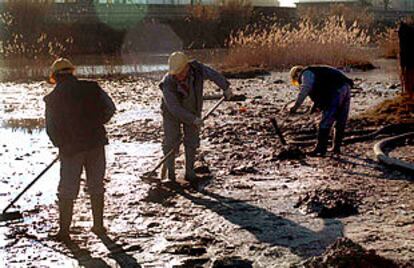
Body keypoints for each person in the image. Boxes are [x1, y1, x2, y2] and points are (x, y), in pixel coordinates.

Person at [44, 58, 116, 241]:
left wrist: (61, 145)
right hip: (96, 143)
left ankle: (64, 232)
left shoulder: (52, 99)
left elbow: (51, 128)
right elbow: (110, 108)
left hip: (70, 150)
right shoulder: (92, 87)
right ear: (72, 72)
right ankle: (98, 227)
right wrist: (97, 124)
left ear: (55, 77)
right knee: (96, 185)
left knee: (67, 189)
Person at [159, 52, 233, 182]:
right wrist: (193, 119)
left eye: (181, 72)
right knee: (171, 141)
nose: (179, 76)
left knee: (192, 140)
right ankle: (171, 175)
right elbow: (174, 108)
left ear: (187, 67)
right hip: (171, 113)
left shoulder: (197, 69)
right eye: (176, 73)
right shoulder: (168, 83)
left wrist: (226, 87)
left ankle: (190, 172)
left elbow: (213, 74)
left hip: (192, 107)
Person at [289, 65, 353, 156]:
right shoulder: (317, 72)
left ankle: (320, 149)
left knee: (325, 121)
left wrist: (295, 106)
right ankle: (336, 148)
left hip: (336, 91)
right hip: (345, 87)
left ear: (296, 74)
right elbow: (321, 88)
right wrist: (314, 106)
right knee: (340, 120)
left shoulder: (306, 74)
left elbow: (305, 89)